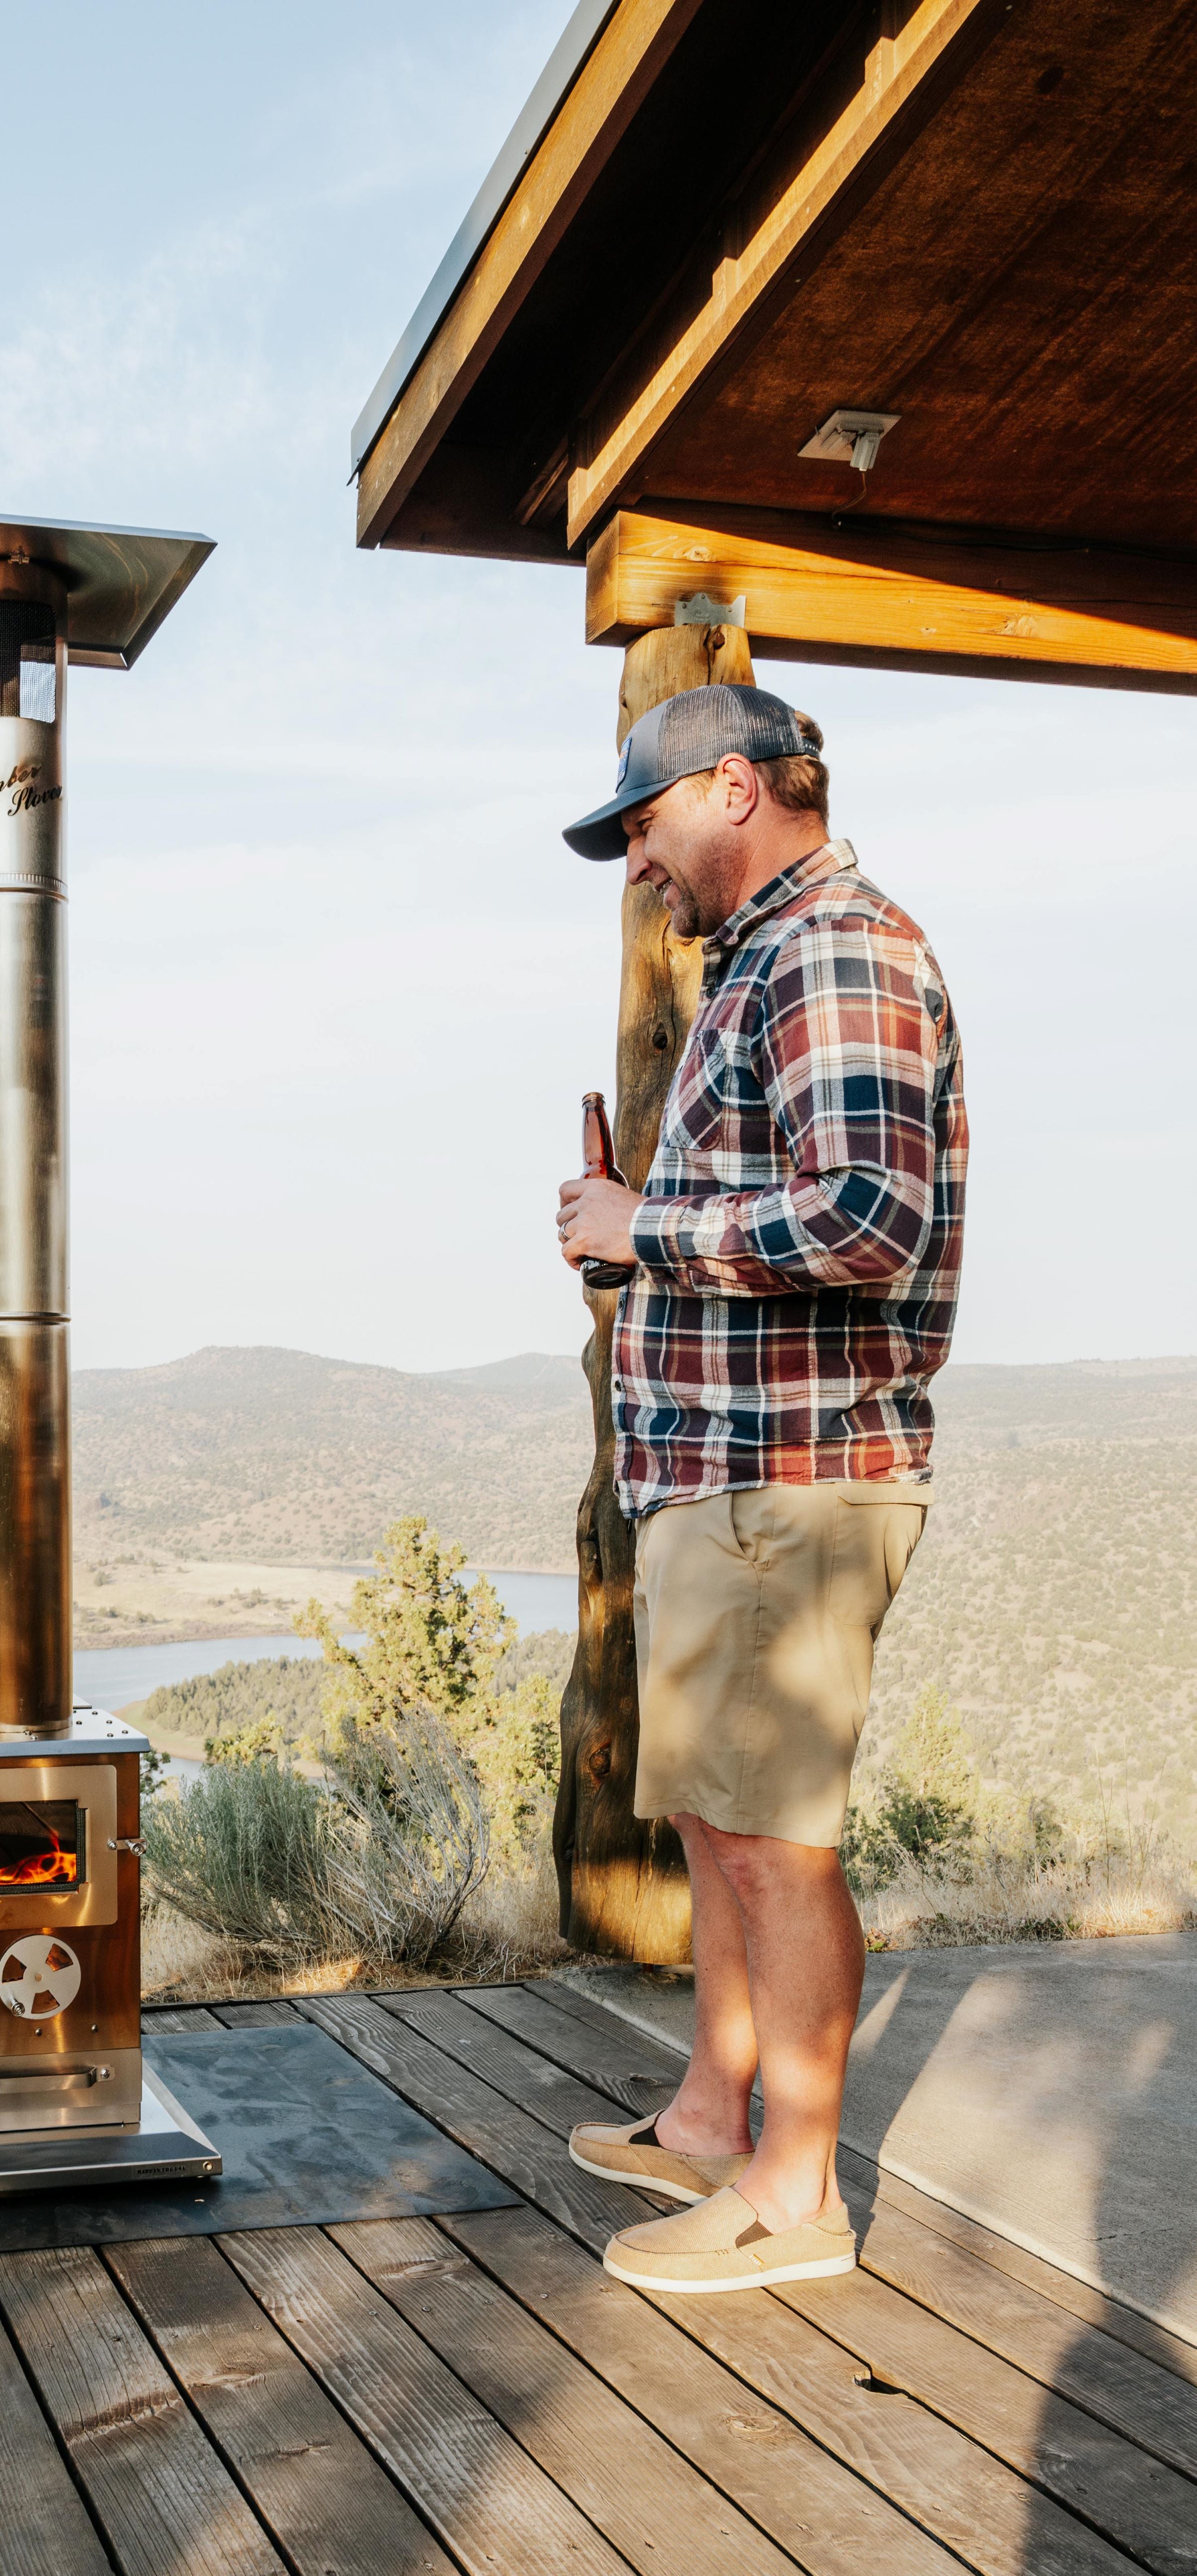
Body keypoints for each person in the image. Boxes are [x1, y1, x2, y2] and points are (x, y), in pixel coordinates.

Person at [553, 683, 965, 2296]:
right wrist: (631, 1211)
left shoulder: (836, 949)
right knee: (723, 1828)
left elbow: (867, 1217)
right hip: (721, 1478)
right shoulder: (762, 961)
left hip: (788, 1482)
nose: (636, 865)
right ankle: (715, 2121)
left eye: (640, 827)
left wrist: (637, 1231)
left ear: (731, 788)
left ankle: (797, 2202)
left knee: (775, 1845)